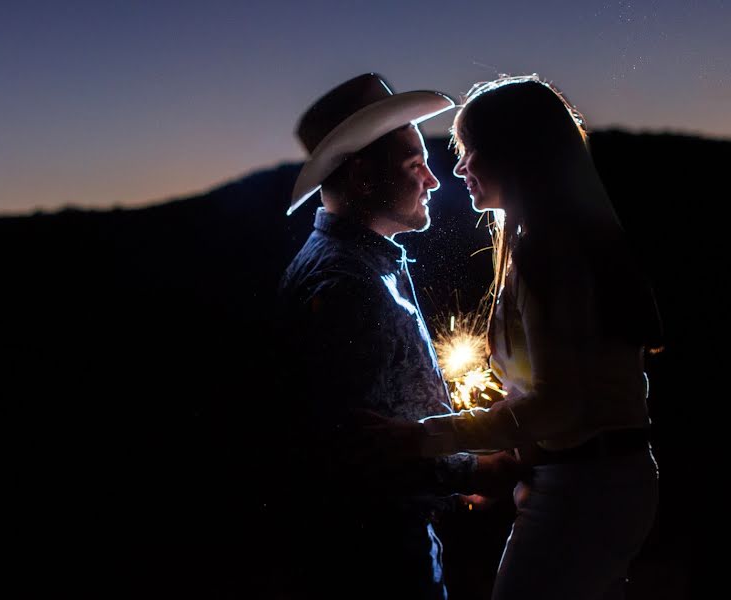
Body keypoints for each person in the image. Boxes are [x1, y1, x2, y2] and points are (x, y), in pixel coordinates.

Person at [375, 75, 663, 600]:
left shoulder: (552, 257)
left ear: (514, 153)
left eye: (468, 150)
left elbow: (557, 407)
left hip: (586, 489)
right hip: (593, 481)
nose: (458, 167)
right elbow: (575, 396)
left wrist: (422, 438)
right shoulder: (560, 243)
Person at [269, 73, 521, 600]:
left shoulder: (357, 265)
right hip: (373, 564)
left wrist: (451, 480)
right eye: (414, 166)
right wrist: (478, 469)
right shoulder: (347, 286)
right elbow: (358, 450)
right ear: (362, 178)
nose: (433, 180)